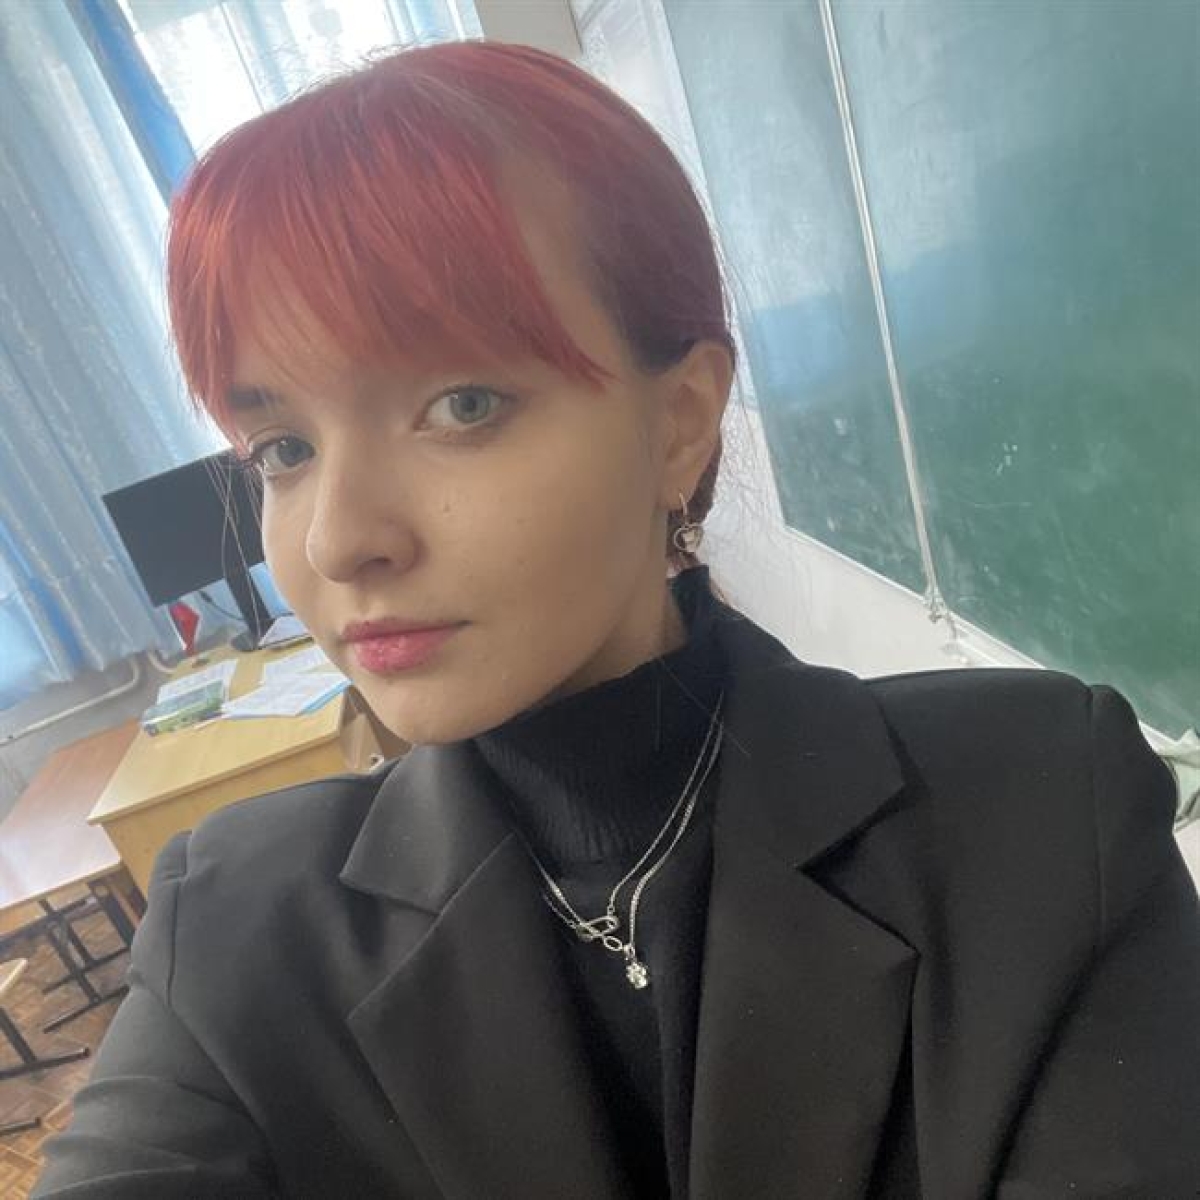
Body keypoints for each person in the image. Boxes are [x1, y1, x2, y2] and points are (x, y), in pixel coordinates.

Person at [34, 39, 1199, 1200]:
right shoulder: (231, 925)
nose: (339, 539)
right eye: (282, 448)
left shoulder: (1041, 811)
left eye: (461, 404)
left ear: (681, 422)